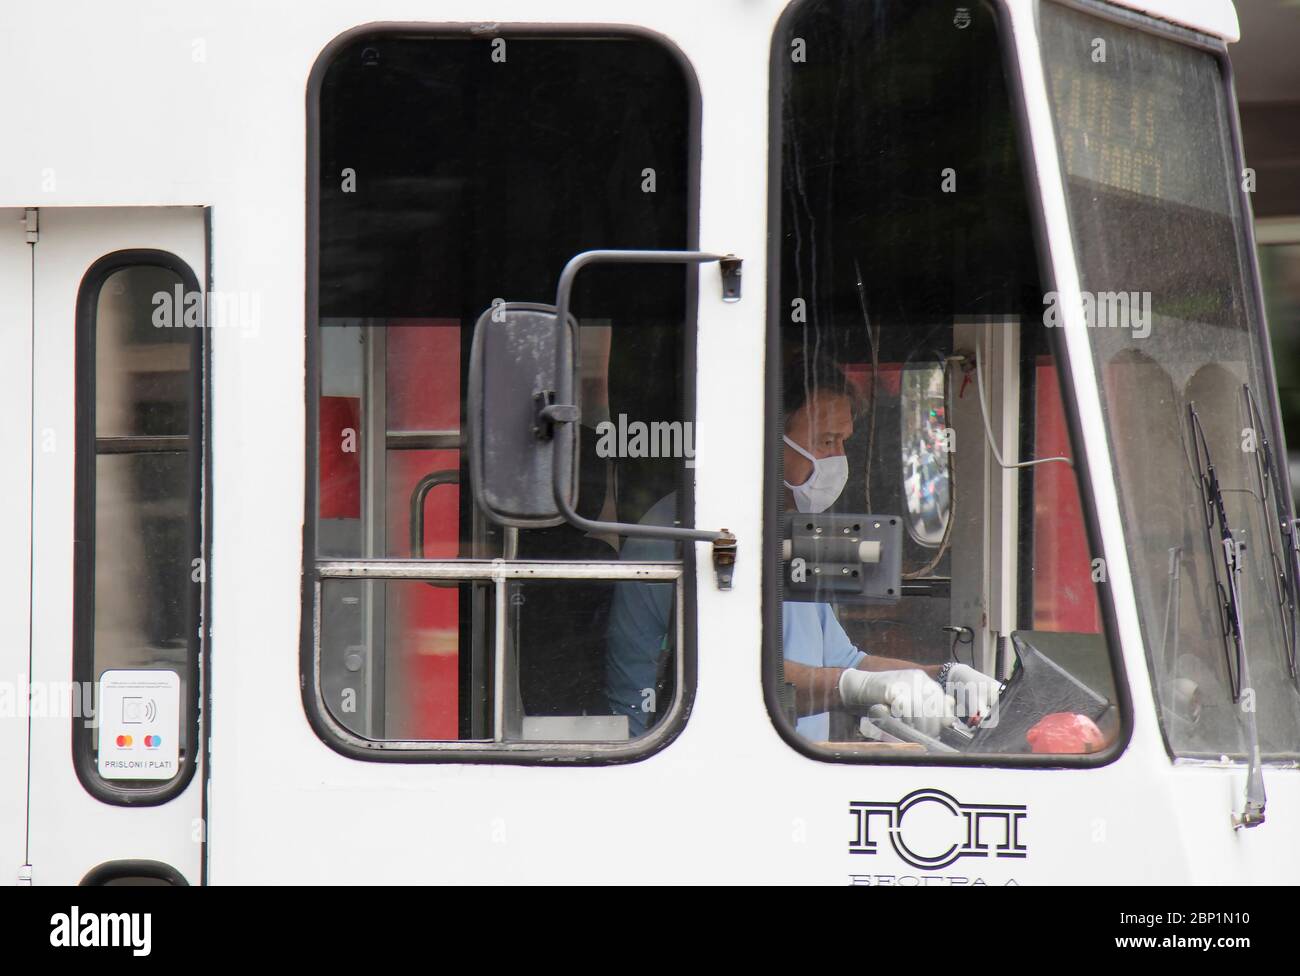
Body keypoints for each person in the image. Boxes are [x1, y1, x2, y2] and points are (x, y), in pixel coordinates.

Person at [605, 352, 999, 741]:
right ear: (764, 437)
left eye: (842, 442)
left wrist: (942, 677)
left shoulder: (788, 534)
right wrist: (856, 687)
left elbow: (844, 661)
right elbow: (731, 674)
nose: (837, 460)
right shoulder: (687, 535)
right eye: (826, 441)